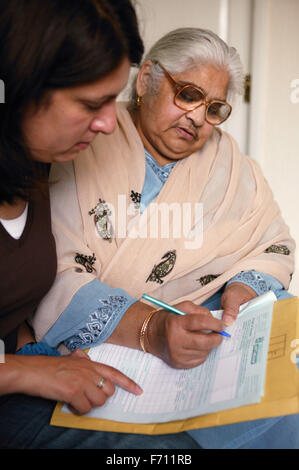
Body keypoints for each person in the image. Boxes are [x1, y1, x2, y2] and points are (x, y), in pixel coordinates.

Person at [32, 27, 298, 449]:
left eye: (214, 109)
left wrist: (244, 289)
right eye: (188, 95)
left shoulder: (231, 165)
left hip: (206, 327)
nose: (197, 117)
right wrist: (153, 328)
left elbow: (273, 242)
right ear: (146, 80)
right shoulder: (85, 137)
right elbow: (52, 269)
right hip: (116, 337)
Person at [0, 1, 201, 450]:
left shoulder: (35, 166)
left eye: (115, 98)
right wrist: (22, 370)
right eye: (92, 104)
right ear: (16, 89)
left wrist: (48, 353)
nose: (111, 124)